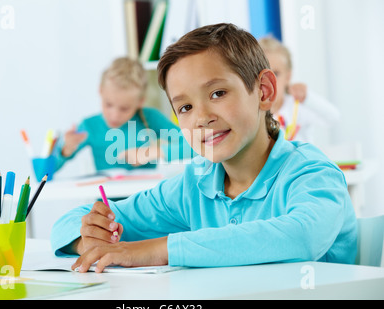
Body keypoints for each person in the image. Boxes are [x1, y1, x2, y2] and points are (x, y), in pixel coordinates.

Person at [50, 23, 357, 272]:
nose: (201, 118)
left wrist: (156, 250)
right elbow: (68, 223)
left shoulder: (312, 173)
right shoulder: (193, 187)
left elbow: (302, 236)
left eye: (217, 93)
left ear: (263, 91)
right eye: (184, 108)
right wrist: (89, 237)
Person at [51, 57, 193, 173]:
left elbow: (195, 146)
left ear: (140, 102)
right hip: (107, 205)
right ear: (100, 91)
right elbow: (44, 175)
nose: (114, 115)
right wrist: (65, 150)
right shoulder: (90, 126)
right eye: (108, 104)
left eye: (124, 109)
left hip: (146, 201)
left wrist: (151, 152)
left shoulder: (150, 117)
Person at [259, 37, 340, 143]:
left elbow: (333, 117)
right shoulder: (254, 112)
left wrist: (308, 98)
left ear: (288, 77)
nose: (270, 81)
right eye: (263, 74)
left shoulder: (297, 105)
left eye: (276, 74)